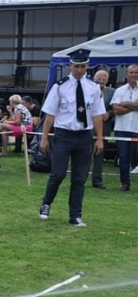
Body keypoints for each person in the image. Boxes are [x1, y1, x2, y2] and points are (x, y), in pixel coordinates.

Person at [39, 48, 105, 227]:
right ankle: (46, 203)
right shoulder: (59, 86)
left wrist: (99, 138)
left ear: (87, 66)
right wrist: (44, 138)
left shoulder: (93, 87)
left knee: (79, 178)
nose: (79, 70)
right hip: (64, 134)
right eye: (76, 66)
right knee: (58, 173)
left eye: (83, 66)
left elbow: (98, 114)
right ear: (70, 65)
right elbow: (50, 114)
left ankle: (75, 215)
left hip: (84, 136)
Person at [110, 64, 138, 192]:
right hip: (121, 128)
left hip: (136, 128)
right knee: (124, 157)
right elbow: (116, 110)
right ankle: (124, 183)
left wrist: (125, 103)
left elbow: (121, 107)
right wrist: (134, 106)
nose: (133, 75)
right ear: (127, 74)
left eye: (136, 72)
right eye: (131, 72)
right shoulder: (119, 91)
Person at [91, 70, 115, 189]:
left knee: (100, 156)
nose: (101, 81)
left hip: (104, 127)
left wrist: (109, 113)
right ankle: (80, 178)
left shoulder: (112, 92)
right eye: (99, 78)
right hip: (89, 127)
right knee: (84, 155)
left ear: (107, 80)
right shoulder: (88, 90)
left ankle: (97, 180)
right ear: (94, 78)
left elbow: (116, 107)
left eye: (104, 79)